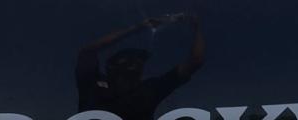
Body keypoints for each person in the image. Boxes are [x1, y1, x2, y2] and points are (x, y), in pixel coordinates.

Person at [76, 14, 205, 120]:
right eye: (130, 59)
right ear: (114, 65)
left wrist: (197, 26)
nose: (137, 63)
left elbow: (195, 60)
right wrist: (138, 28)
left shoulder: (150, 88)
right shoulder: (93, 84)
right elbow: (88, 52)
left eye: (140, 60)